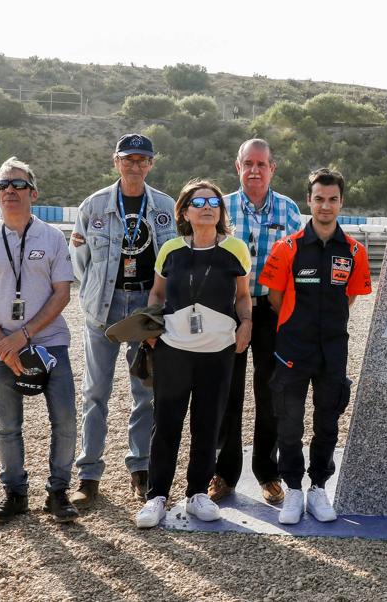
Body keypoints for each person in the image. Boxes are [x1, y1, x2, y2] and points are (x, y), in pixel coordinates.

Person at [134, 180, 253, 528]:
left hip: (218, 351)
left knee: (207, 423)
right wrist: (151, 331)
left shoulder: (236, 249)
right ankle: (156, 496)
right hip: (174, 350)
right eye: (198, 202)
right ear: (185, 211)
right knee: (166, 424)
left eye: (214, 202)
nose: (207, 207)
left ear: (220, 211)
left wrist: (245, 322)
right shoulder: (170, 249)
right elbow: (156, 295)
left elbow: (243, 296)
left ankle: (197, 493)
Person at [69, 134, 178, 508]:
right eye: (128, 159)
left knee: (145, 391)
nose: (135, 166)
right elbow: (80, 262)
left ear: (151, 164)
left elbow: (173, 260)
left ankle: (140, 468)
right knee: (95, 392)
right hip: (104, 304)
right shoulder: (94, 205)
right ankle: (89, 474)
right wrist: (97, 295)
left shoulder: (165, 206)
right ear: (116, 162)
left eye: (142, 160)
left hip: (146, 305)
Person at [0, 158, 78, 524]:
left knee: (63, 420)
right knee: (6, 425)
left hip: (50, 343)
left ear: (33, 192)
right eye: (2, 185)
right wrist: (3, 342)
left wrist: (23, 336)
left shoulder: (52, 237)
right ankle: (14, 494)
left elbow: (62, 293)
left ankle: (58, 493)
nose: (9, 191)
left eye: (17, 185)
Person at [259, 168, 372, 525]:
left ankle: (318, 486)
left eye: (333, 199)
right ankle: (293, 488)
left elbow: (350, 297)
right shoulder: (287, 247)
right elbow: (275, 299)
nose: (326, 206)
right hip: (293, 349)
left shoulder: (355, 251)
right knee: (289, 423)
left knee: (327, 421)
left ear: (341, 202)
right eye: (319, 199)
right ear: (308, 200)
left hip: (333, 351)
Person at [213, 139, 303, 506]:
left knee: (270, 393)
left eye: (260, 164)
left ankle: (268, 472)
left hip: (272, 308)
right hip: (229, 308)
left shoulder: (290, 209)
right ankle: (224, 471)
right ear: (238, 167)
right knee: (227, 393)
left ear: (272, 168)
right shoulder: (221, 207)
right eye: (247, 163)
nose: (254, 170)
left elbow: (299, 265)